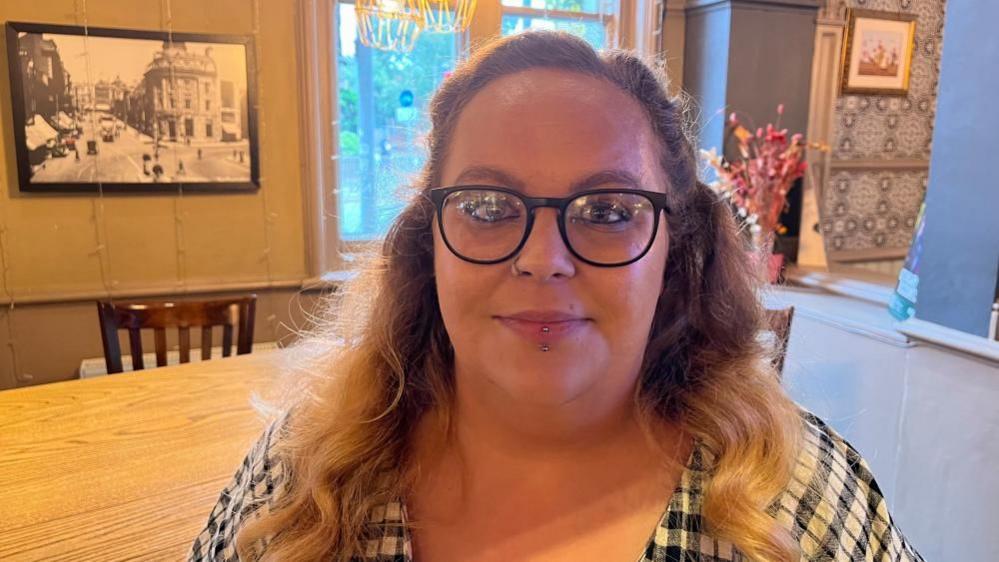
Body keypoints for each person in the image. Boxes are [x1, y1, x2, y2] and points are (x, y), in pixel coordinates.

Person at [188, 31, 923, 562]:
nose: (543, 262)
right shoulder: (302, 476)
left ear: (674, 250)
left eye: (607, 212)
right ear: (429, 241)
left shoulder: (795, 497)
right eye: (484, 206)